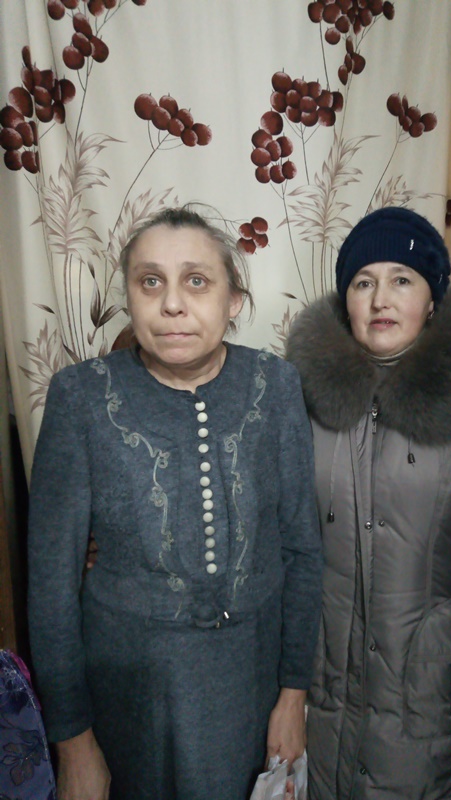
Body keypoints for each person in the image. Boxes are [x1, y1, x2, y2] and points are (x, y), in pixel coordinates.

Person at [27, 206, 323, 800]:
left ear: (233, 300)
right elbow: (51, 584)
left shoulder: (276, 385)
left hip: (252, 690)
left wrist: (294, 695)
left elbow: (302, 549)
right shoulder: (80, 396)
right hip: (130, 702)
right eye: (150, 281)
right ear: (130, 297)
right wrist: (74, 744)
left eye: (196, 280)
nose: (171, 304)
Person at [285, 206, 451, 800]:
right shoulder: (296, 402)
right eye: (363, 282)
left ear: (432, 300)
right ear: (345, 301)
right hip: (319, 702)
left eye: (401, 279)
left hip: (433, 709)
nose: (381, 298)